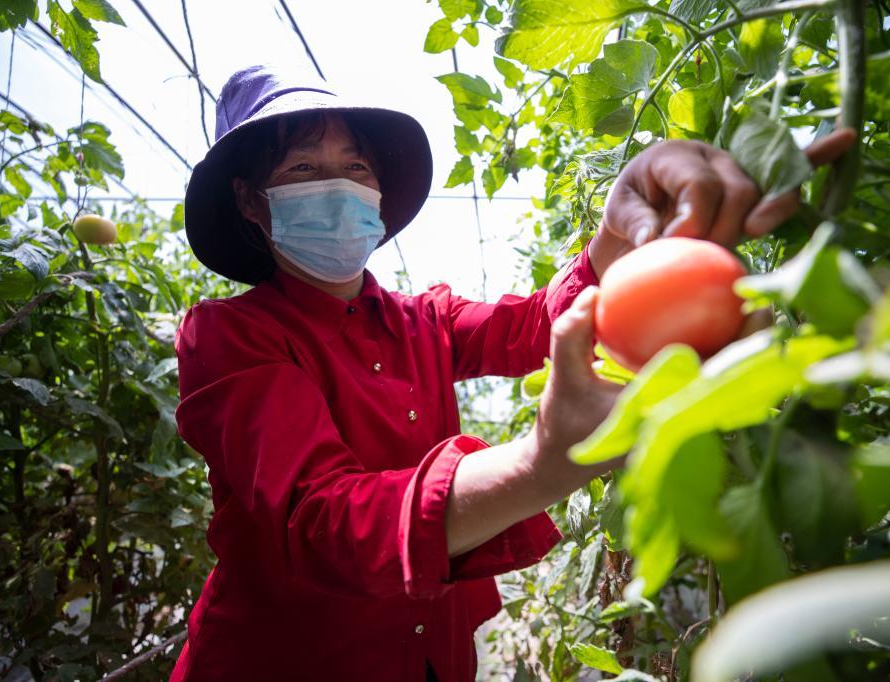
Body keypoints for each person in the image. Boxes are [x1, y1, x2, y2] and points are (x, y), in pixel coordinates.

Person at [171, 65, 855, 681]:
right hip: (290, 661)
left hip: (431, 653)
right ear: (250, 202)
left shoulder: (421, 320)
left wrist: (622, 232)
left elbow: (531, 327)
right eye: (302, 170)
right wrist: (538, 466)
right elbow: (321, 519)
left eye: (355, 168)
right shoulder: (231, 336)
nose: (339, 187)